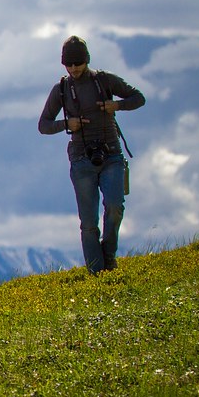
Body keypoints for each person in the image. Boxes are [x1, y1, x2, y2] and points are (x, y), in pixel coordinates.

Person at [38, 35, 145, 274]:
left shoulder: (104, 81)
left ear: (87, 60)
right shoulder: (61, 89)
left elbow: (139, 98)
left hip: (112, 154)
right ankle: (98, 272)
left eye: (78, 63)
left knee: (115, 207)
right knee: (88, 223)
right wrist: (67, 124)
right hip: (81, 158)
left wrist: (117, 105)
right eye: (69, 64)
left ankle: (108, 256)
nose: (74, 69)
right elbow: (43, 125)